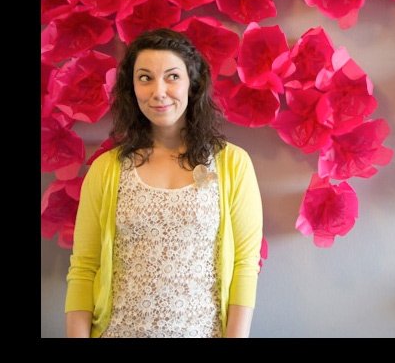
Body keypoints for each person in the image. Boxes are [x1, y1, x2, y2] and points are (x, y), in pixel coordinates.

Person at [64, 28, 263, 338]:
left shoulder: (232, 165)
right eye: (145, 78)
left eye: (172, 77)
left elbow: (245, 265)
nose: (158, 91)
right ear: (132, 88)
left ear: (192, 84)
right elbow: (84, 267)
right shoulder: (106, 170)